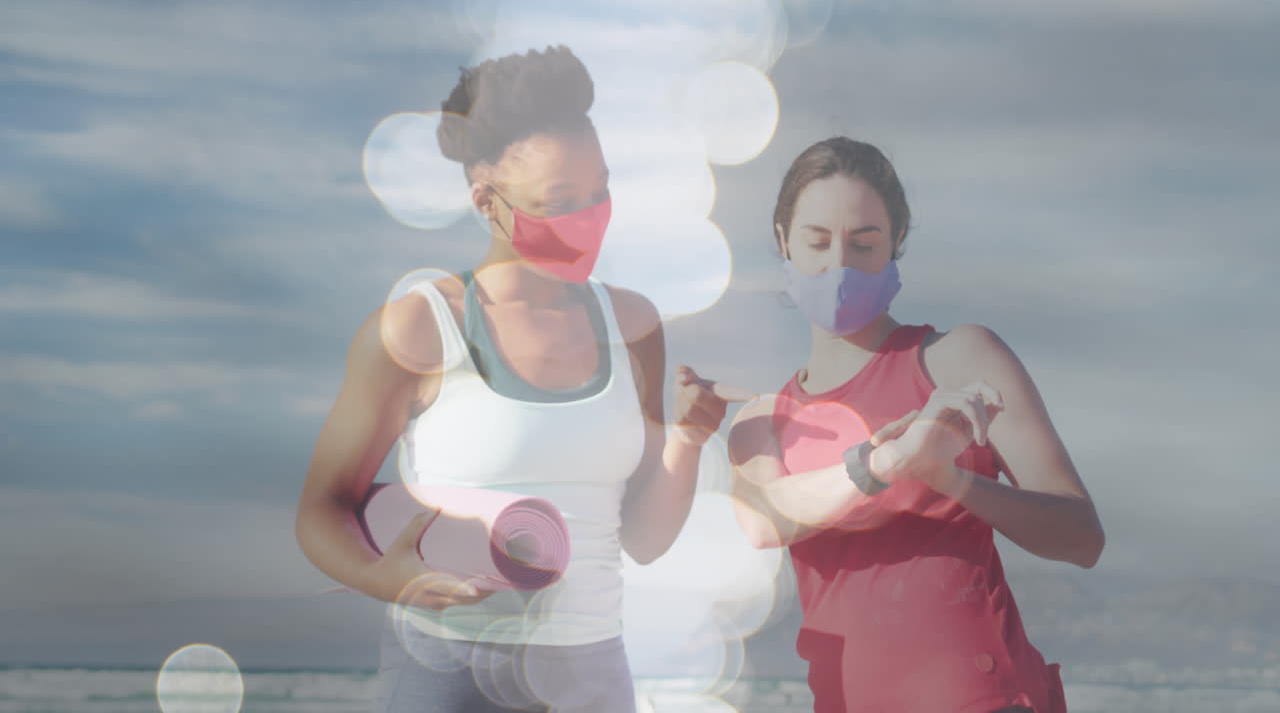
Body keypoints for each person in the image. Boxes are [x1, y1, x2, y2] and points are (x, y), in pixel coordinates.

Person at [294, 45, 742, 713]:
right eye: (559, 201)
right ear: (486, 201)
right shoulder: (420, 328)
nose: (588, 218)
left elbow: (643, 539)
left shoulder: (634, 327)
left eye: (600, 192)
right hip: (445, 670)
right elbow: (321, 510)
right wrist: (384, 579)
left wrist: (689, 439)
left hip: (589, 672)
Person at [725, 137, 1105, 712]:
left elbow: (1082, 538)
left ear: (897, 241)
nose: (839, 265)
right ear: (783, 241)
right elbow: (763, 518)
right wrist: (884, 465)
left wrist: (953, 480)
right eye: (818, 241)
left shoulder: (958, 359)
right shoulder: (761, 422)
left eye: (864, 242)